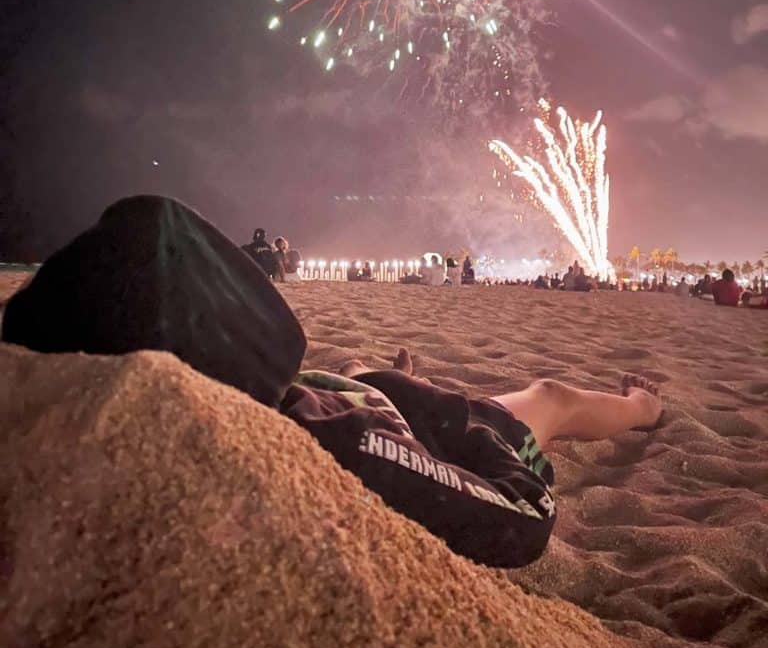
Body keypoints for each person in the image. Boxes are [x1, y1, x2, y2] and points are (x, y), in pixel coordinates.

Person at [2, 195, 664, 570]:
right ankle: (643, 405)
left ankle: (399, 379)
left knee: (378, 378)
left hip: (352, 392)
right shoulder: (339, 449)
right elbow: (523, 518)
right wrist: (472, 428)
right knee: (547, 398)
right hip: (389, 418)